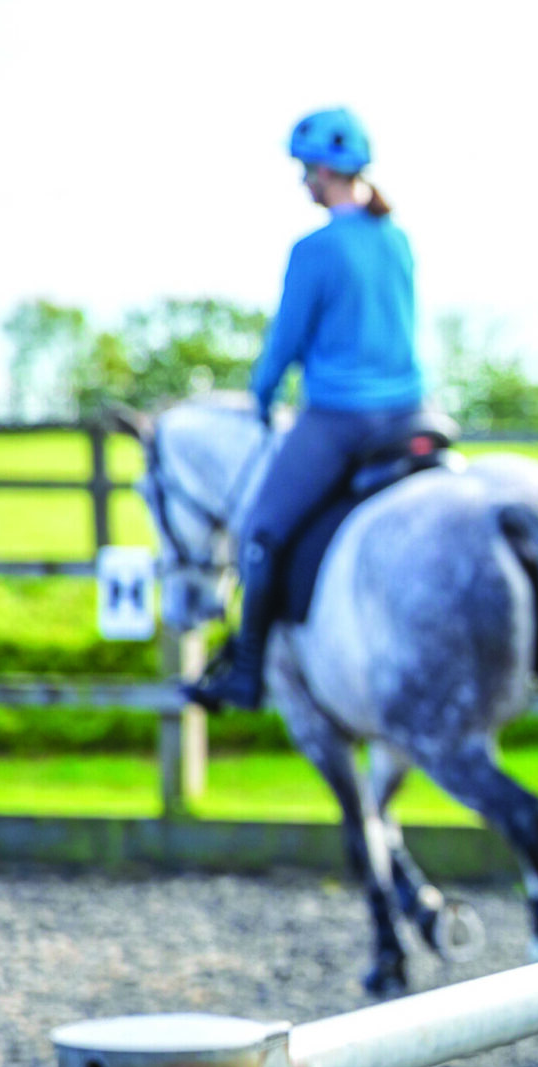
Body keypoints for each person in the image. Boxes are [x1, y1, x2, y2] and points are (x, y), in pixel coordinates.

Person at [186, 107, 426, 711]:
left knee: (261, 536)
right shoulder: (396, 240)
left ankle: (245, 674)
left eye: (305, 172)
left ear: (324, 173)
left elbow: (286, 341)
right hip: (412, 414)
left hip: (343, 418)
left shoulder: (314, 248)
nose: (302, 183)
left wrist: (261, 397)